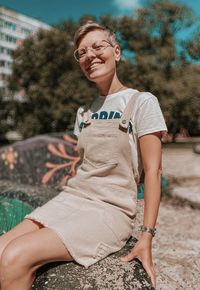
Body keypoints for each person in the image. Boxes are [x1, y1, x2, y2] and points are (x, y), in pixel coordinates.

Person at [0, 21, 168, 289]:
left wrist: (146, 236)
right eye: (82, 52)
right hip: (72, 198)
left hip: (110, 210)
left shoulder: (142, 102)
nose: (90, 55)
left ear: (116, 51)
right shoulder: (84, 112)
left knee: (15, 256)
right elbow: (83, 165)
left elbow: (154, 171)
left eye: (97, 46)